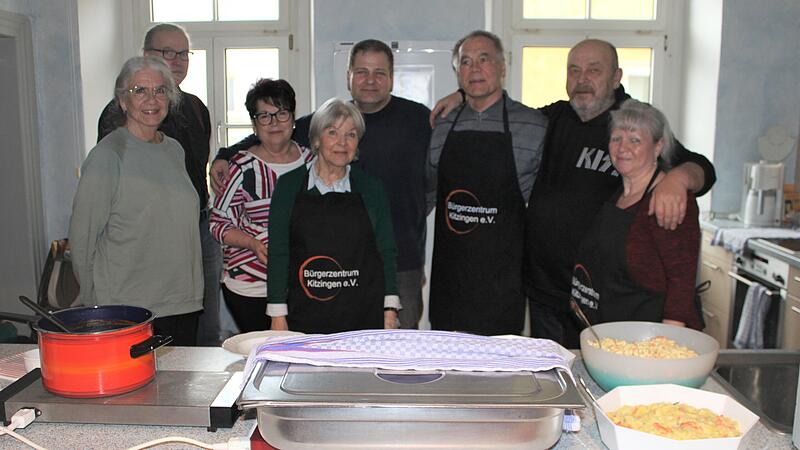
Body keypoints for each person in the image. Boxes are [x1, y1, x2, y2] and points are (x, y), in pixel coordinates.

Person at [432, 38, 715, 346]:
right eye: (574, 70)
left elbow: (702, 168)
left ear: (616, 77)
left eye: (594, 70)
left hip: (606, 296)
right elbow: (494, 105)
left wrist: (680, 178)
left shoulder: (631, 124)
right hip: (546, 290)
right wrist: (463, 93)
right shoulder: (552, 118)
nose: (582, 79)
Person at [211, 39, 431, 329]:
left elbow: (436, 181)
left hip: (401, 260)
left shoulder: (418, 119)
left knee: (395, 350)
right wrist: (225, 154)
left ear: (392, 77)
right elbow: (273, 129)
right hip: (326, 270)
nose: (370, 80)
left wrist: (460, 97)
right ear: (348, 75)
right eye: (362, 71)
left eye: (380, 72)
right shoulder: (320, 122)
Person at [96, 23, 224, 346]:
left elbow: (198, 166)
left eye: (183, 53)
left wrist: (227, 156)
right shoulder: (119, 113)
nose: (177, 60)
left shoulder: (197, 108)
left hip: (199, 229)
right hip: (150, 236)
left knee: (204, 327)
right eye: (167, 52)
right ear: (145, 55)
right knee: (157, 328)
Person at [69, 56, 203, 345]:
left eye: (160, 90)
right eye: (139, 91)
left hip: (181, 303)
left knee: (177, 390)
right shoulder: (109, 155)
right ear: (122, 101)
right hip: (128, 309)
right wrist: (97, 306)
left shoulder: (174, 150)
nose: (151, 99)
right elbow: (83, 237)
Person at [426, 30, 547, 336]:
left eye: (484, 59)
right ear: (458, 73)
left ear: (503, 67)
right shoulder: (441, 127)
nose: (475, 68)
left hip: (502, 285)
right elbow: (426, 194)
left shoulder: (535, 125)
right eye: (466, 61)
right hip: (450, 282)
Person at [266, 98, 400, 333]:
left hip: (363, 316)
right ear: (317, 139)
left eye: (351, 135)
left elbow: (386, 252)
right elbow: (278, 253)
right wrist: (277, 315)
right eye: (333, 133)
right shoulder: (288, 187)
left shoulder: (372, 188)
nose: (342, 143)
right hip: (304, 316)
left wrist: (389, 310)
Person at [570, 99, 702, 329]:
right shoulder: (618, 194)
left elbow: (682, 280)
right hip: (611, 331)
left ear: (658, 146)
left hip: (648, 338)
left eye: (635, 140)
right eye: (616, 138)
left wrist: (666, 345)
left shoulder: (669, 200)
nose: (623, 148)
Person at [210, 79, 313, 333]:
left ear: (293, 118)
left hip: (302, 283)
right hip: (251, 286)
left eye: (281, 113)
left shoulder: (312, 162)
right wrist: (253, 243)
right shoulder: (241, 167)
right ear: (254, 124)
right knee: (262, 355)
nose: (274, 122)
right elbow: (218, 222)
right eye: (264, 116)